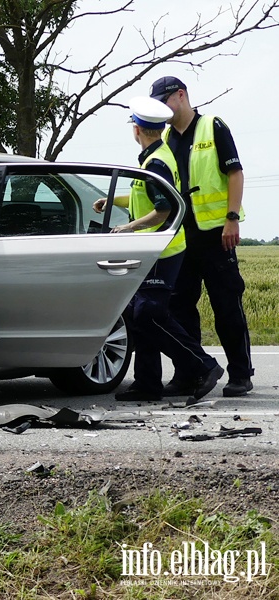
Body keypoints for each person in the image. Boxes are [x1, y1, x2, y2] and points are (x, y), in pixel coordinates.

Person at [93, 96, 223, 403]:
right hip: (152, 248)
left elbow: (163, 210)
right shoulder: (154, 156)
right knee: (142, 316)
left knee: (149, 314)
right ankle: (147, 383)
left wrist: (128, 227)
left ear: (136, 129)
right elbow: (149, 194)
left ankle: (203, 366)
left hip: (159, 251)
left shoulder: (157, 162)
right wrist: (115, 201)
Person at [149, 76, 254, 397]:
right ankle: (189, 374)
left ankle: (240, 374)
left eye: (165, 101)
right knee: (181, 307)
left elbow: (235, 173)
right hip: (182, 236)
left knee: (226, 305)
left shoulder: (213, 126)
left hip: (217, 235)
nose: (162, 109)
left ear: (181, 96)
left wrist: (232, 219)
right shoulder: (165, 139)